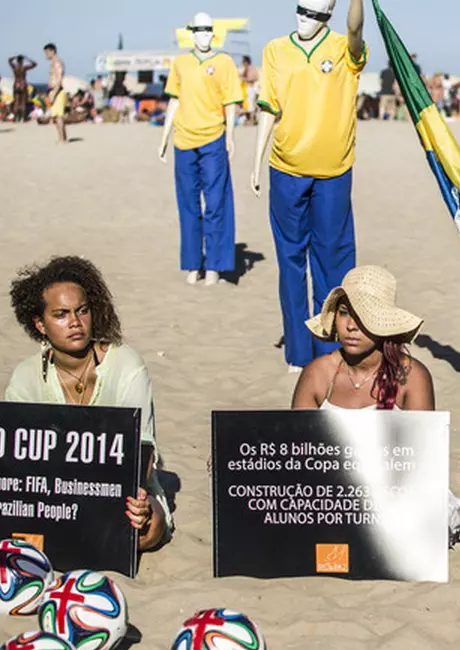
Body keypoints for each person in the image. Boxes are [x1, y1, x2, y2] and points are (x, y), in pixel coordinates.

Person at [4, 257, 172, 552]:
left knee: (147, 530)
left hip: (118, 489)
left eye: (82, 310)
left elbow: (143, 448)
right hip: (50, 493)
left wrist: (135, 499)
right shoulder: (26, 376)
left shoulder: (125, 364)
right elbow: (14, 454)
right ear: (40, 324)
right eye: (61, 314)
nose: (75, 322)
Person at [252, 0, 368, 372]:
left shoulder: (343, 48)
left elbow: (356, 29)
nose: (305, 19)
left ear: (329, 15)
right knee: (290, 262)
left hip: (334, 170)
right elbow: (268, 107)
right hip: (286, 167)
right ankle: (298, 352)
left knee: (332, 261)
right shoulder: (275, 50)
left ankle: (329, 347)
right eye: (301, 10)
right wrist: (256, 162)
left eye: (315, 14)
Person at [159, 12, 242, 287]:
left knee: (216, 203)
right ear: (191, 33)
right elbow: (174, 100)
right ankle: (194, 264)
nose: (204, 34)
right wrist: (164, 137)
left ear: (213, 33)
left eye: (208, 30)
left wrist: (230, 136)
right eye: (199, 30)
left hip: (213, 138)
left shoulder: (224, 62)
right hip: (184, 140)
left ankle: (216, 265)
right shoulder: (180, 63)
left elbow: (231, 102)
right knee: (188, 205)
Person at [291, 265, 433, 411]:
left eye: (363, 316)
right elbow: (297, 426)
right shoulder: (318, 373)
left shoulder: (411, 377)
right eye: (344, 312)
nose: (351, 326)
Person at [44, 43, 69, 143]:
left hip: (57, 91)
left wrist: (54, 93)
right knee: (56, 116)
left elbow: (59, 78)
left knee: (58, 116)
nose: (46, 55)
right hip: (54, 90)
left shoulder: (57, 62)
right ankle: (62, 138)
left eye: (47, 52)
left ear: (52, 51)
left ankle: (62, 138)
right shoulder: (54, 62)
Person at [8, 54, 38, 122]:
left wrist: (15, 57)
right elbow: (35, 64)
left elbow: (9, 60)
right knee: (23, 102)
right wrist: (27, 58)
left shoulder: (14, 67)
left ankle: (15, 118)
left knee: (16, 101)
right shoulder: (24, 67)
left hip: (16, 84)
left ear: (17, 61)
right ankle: (23, 118)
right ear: (22, 61)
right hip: (23, 84)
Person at [240, 55, 259, 125]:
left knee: (251, 105)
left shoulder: (251, 68)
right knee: (248, 105)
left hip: (251, 88)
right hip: (248, 88)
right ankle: (251, 119)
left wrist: (243, 78)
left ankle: (251, 120)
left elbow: (252, 78)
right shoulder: (247, 68)